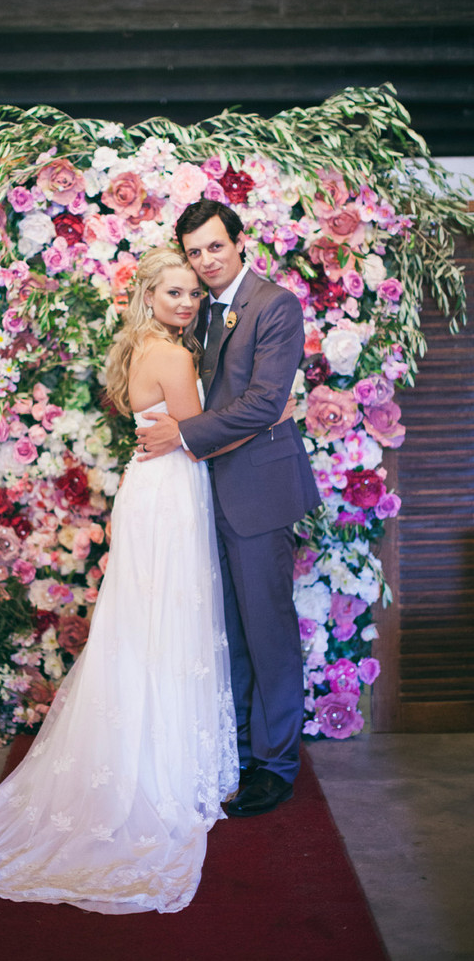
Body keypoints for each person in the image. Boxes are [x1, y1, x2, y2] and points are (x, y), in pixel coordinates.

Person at [0, 247, 240, 915]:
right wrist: (270, 416)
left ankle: (149, 752)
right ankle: (164, 768)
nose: (186, 303)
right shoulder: (174, 356)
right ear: (148, 295)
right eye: (173, 292)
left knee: (143, 623)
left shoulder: (135, 347)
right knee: (168, 620)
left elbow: (167, 430)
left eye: (191, 294)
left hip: (147, 489)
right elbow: (198, 434)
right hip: (172, 490)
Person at [136, 200, 321, 817]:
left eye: (216, 246)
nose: (206, 261)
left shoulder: (275, 305)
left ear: (239, 242)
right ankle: (235, 752)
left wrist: (183, 436)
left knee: (266, 630)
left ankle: (275, 766)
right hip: (198, 492)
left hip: (256, 491)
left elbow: (268, 401)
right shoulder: (195, 310)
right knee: (224, 632)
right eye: (195, 252)